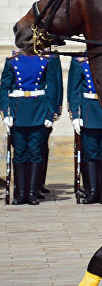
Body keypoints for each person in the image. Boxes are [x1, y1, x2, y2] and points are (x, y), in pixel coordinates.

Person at [1, 50, 62, 205]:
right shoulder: (12, 61)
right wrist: (6, 113)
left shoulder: (45, 60)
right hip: (18, 111)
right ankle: (21, 193)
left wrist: (50, 114)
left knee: (35, 152)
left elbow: (52, 89)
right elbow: (4, 88)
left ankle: (32, 193)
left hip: (38, 111)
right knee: (20, 153)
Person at [68, 56, 102, 204]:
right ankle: (93, 191)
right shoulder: (80, 61)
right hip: (88, 112)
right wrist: (75, 115)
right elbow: (74, 90)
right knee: (90, 154)